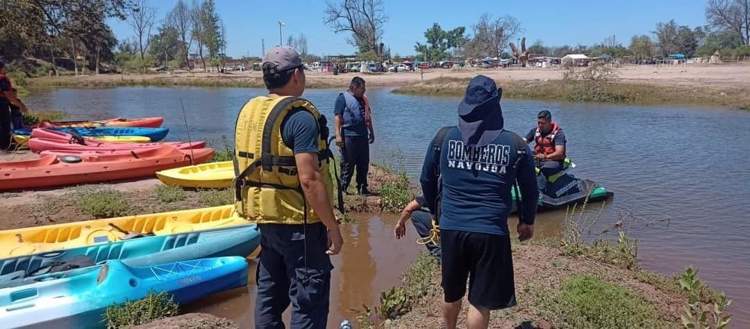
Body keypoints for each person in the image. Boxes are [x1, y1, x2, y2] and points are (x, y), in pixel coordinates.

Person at [233, 47, 343, 329]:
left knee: (269, 297)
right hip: (300, 226)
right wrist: (332, 226)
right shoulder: (300, 118)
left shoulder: (250, 112)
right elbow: (309, 179)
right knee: (309, 302)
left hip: (266, 223)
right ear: (296, 75)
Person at [420, 75, 538, 329]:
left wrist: (437, 213)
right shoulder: (516, 145)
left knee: (451, 293)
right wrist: (526, 221)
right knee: (480, 301)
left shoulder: (443, 138)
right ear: (496, 105)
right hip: (491, 231)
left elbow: (426, 179)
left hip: (452, 227)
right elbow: (530, 191)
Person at [334, 77, 375, 195]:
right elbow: (337, 117)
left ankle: (362, 188)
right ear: (354, 87)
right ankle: (343, 189)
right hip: (348, 136)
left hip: (362, 136)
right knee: (348, 163)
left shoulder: (364, 99)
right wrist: (338, 135)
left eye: (365, 88)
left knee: (363, 163)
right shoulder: (342, 98)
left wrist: (371, 132)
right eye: (362, 88)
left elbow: (368, 116)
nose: (364, 91)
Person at [524, 110, 566, 180]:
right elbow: (523, 142)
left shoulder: (558, 134)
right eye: (539, 123)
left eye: (543, 123)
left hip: (554, 161)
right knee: (521, 163)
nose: (540, 125)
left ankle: (540, 190)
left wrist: (545, 156)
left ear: (549, 122)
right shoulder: (535, 131)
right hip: (538, 158)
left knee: (542, 170)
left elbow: (560, 153)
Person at [0, 61, 29, 150]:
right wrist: (21, 105)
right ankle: (4, 146)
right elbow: (8, 95)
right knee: (4, 124)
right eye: (4, 67)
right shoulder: (2, 79)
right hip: (1, 104)